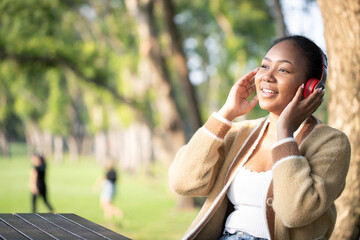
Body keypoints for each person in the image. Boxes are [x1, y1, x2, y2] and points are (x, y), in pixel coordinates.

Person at [168, 35, 351, 240]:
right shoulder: (240, 132)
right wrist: (226, 114)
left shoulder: (332, 143)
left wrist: (285, 133)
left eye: (283, 69)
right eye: (264, 66)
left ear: (311, 87)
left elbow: (295, 213)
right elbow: (183, 183)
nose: (267, 76)